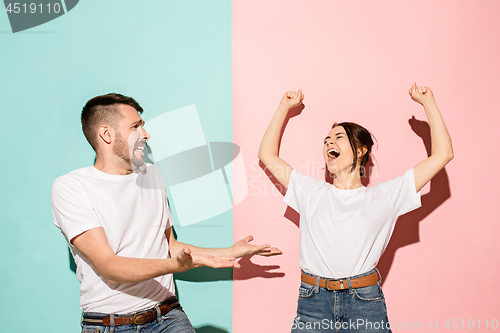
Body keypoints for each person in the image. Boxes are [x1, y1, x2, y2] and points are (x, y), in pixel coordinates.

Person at [51, 93, 282, 333]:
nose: (146, 134)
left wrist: (229, 252)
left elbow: (168, 245)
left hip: (167, 317)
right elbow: (109, 266)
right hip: (110, 325)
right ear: (106, 134)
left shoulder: (152, 175)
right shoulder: (71, 188)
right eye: (135, 126)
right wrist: (175, 265)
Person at [258, 84, 453, 332]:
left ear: (361, 151)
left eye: (339, 137)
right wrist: (284, 107)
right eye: (327, 140)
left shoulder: (386, 196)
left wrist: (429, 103)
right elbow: (266, 154)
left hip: (365, 302)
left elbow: (443, 154)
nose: (329, 142)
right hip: (313, 302)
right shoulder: (310, 192)